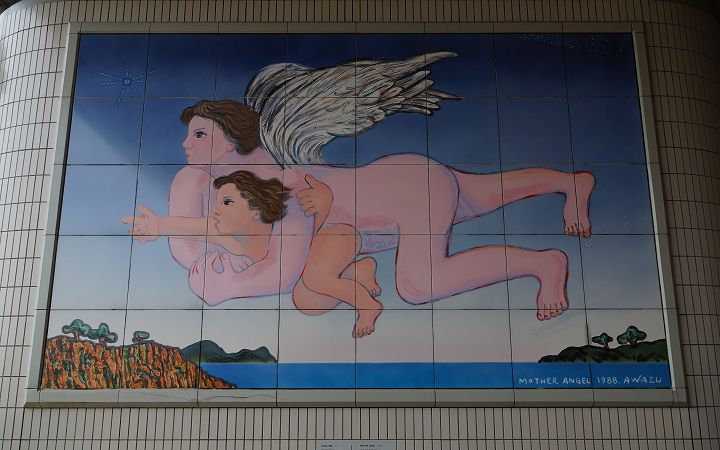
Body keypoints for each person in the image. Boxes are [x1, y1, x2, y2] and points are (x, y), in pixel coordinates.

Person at [124, 99, 595, 320]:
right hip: (400, 182)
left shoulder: (277, 186)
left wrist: (227, 288)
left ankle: (544, 264)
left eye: (199, 134)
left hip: (404, 192)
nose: (185, 144)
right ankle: (568, 183)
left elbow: (283, 272)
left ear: (230, 141)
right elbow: (217, 236)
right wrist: (181, 237)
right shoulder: (244, 189)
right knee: (485, 193)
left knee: (419, 283)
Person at [126, 168, 384, 338]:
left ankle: (368, 306)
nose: (216, 210)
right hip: (318, 258)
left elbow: (313, 220)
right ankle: (358, 272)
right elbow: (191, 227)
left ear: (254, 210)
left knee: (316, 278)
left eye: (227, 202)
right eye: (218, 202)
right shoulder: (231, 237)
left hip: (336, 239)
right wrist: (158, 226)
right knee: (307, 302)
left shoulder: (282, 225)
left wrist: (324, 198)